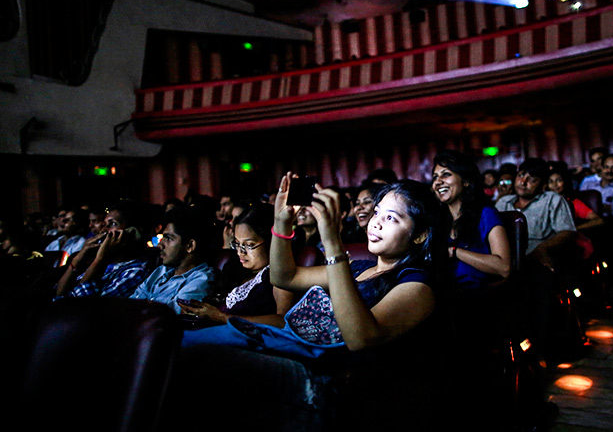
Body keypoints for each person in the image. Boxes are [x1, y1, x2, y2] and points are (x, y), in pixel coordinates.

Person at [170, 174, 442, 430]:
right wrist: (281, 224)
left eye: (392, 218)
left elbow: (361, 338)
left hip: (321, 378)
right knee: (177, 345)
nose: (376, 222)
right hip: (292, 350)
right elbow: (283, 275)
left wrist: (333, 243)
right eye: (377, 212)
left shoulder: (418, 285)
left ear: (419, 235)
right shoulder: (359, 268)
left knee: (197, 358)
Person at [495, 158, 578, 355]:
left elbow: (567, 232)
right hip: (507, 258)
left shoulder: (552, 200)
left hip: (538, 255)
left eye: (531, 179)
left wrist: (542, 249)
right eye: (521, 175)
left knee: (536, 281)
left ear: (541, 184)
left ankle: (539, 345)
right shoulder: (503, 202)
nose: (523, 182)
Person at [177, 203, 295, 327]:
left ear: (272, 242)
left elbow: (283, 321)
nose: (240, 252)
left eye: (249, 245)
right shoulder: (236, 270)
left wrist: (222, 317)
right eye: (237, 244)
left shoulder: (278, 275)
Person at [432, 150, 511, 292]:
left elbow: (504, 267)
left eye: (446, 174)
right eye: (435, 177)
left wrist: (455, 252)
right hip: (444, 295)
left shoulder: (486, 214)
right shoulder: (438, 220)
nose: (438, 182)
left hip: (478, 296)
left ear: (466, 181)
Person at [53, 201, 155, 299]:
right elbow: (57, 295)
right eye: (104, 224)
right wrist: (77, 260)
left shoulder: (135, 272)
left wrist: (101, 259)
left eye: (113, 224)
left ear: (134, 233)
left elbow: (77, 306)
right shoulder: (105, 263)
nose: (103, 230)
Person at [130, 205, 216, 314]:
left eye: (169, 238)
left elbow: (166, 319)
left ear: (190, 245)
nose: (160, 245)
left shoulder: (201, 280)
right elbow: (131, 303)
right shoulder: (161, 271)